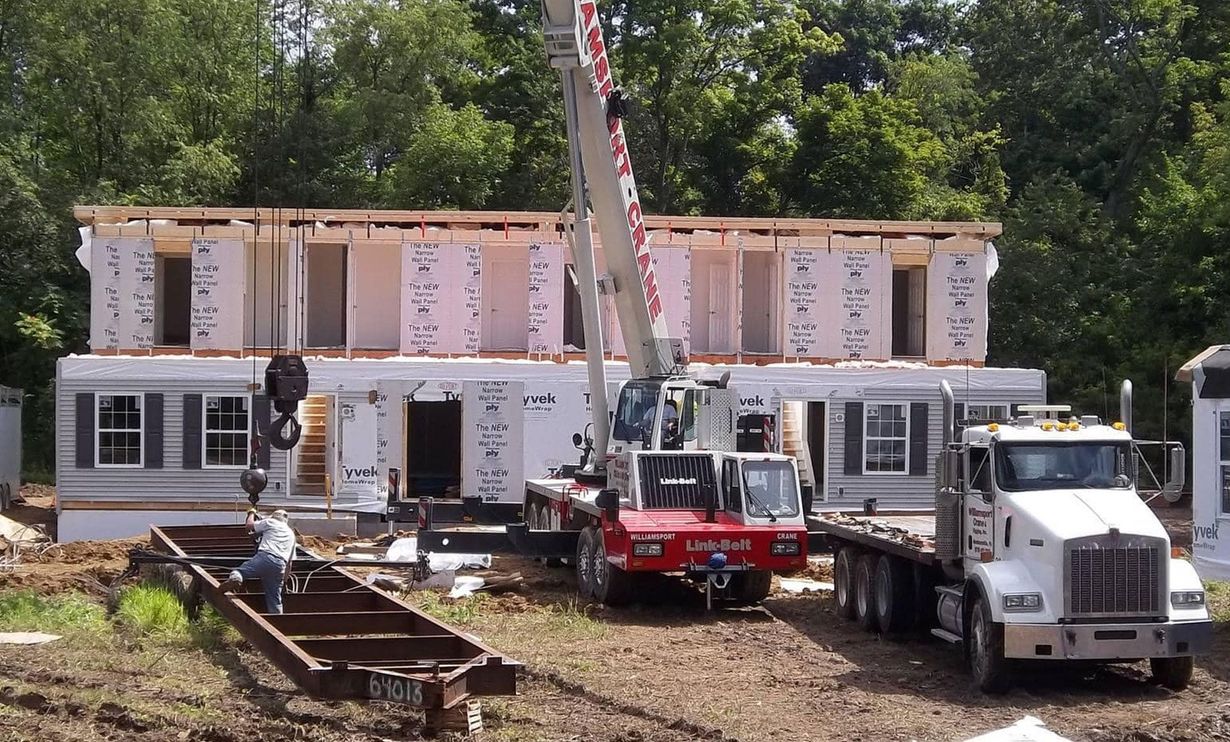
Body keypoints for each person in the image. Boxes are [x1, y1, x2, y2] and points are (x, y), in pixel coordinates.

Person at [219, 508, 295, 614]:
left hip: (265, 557)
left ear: (274, 517)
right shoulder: (291, 534)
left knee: (240, 571)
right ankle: (279, 622)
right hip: (280, 565)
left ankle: (236, 578)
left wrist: (251, 513)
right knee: (274, 599)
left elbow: (249, 526)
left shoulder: (270, 522)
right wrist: (284, 581)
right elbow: (289, 564)